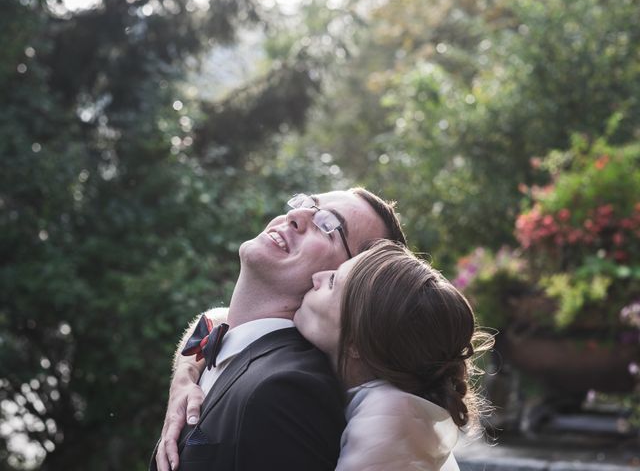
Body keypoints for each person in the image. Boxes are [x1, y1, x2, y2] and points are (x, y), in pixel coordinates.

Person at [151, 189, 406, 471]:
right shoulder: (225, 348)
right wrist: (185, 373)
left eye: (327, 226)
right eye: (308, 202)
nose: (295, 215)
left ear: (347, 284)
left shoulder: (289, 393)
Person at [293, 240, 493, 470]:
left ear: (356, 343)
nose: (316, 277)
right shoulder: (402, 410)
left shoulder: (389, 417)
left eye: (332, 282)